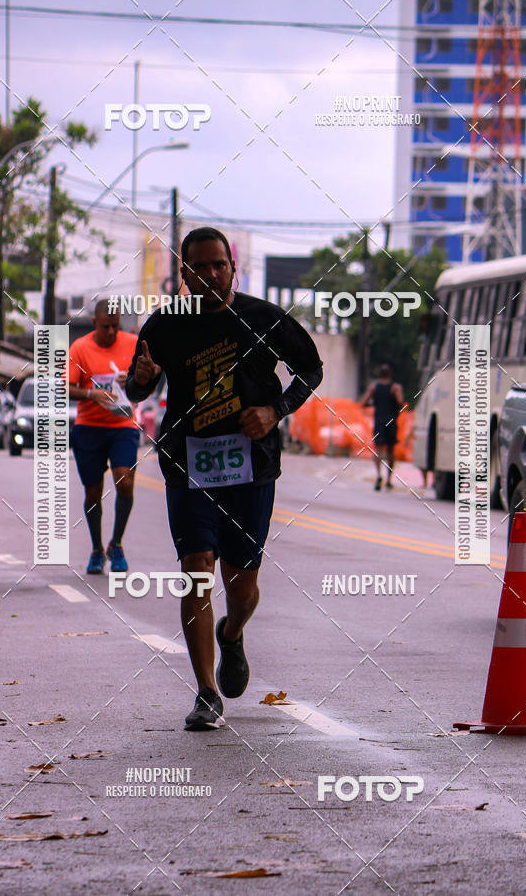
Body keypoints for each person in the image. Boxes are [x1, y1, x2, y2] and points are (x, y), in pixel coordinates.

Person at [126, 227, 323, 731]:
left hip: (251, 465)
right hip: (188, 463)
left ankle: (232, 634)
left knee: (241, 582)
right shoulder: (166, 325)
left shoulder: (263, 318)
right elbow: (136, 384)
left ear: (233, 267)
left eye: (219, 264)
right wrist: (143, 381)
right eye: (199, 267)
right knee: (196, 569)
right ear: (184, 273)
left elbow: (310, 370)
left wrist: (275, 410)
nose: (210, 274)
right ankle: (206, 692)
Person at [68, 301, 139, 574]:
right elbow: (65, 388)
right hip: (89, 427)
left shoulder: (133, 343)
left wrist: (132, 380)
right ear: (95, 322)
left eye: (115, 326)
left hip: (123, 425)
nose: (111, 332)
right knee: (93, 492)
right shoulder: (80, 348)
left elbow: (149, 375)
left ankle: (116, 544)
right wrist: (91, 394)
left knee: (125, 480)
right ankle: (97, 548)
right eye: (106, 326)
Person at [361, 363, 404, 491]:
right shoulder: (395, 387)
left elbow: (363, 402)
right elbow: (400, 402)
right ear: (390, 374)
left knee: (378, 450)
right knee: (390, 450)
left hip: (379, 421)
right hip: (391, 421)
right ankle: (389, 480)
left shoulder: (374, 387)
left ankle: (379, 475)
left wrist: (373, 403)